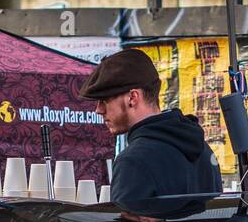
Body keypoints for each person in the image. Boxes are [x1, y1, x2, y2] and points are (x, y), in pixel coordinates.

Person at [78, 48, 221, 212]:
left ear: (133, 97)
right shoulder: (203, 148)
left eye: (104, 100)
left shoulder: (133, 161)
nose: (99, 110)